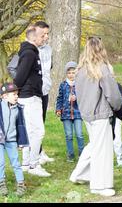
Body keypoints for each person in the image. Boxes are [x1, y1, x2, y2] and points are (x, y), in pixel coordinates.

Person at [69, 37, 122, 197]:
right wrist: (118, 106)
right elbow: (112, 94)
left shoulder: (79, 70)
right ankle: (100, 185)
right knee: (102, 150)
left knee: (94, 145)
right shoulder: (102, 69)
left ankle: (78, 174)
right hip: (100, 112)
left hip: (86, 113)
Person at [14, 26, 51, 177]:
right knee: (38, 132)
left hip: (31, 96)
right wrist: (16, 92)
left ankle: (26, 164)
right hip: (29, 97)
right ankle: (33, 164)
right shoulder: (29, 53)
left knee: (30, 131)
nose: (45, 38)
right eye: (42, 36)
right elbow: (20, 77)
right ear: (34, 37)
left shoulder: (30, 52)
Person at [0, 83, 28, 197]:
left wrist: (21, 141)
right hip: (0, 140)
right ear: (4, 96)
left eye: (17, 94)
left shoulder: (18, 108)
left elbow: (21, 126)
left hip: (11, 140)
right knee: (0, 162)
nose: (16, 96)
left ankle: (21, 184)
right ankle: (1, 183)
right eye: (14, 94)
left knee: (16, 162)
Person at [55, 61, 84, 162]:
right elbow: (59, 98)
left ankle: (82, 154)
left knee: (79, 134)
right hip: (66, 113)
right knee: (69, 135)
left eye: (73, 72)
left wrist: (77, 97)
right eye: (69, 73)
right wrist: (58, 109)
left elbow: (84, 97)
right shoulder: (63, 85)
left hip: (77, 113)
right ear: (66, 74)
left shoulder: (80, 84)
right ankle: (70, 154)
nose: (71, 75)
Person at [35, 21, 55, 165]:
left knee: (41, 122)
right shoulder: (29, 48)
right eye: (44, 34)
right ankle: (34, 154)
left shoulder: (48, 49)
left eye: (48, 34)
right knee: (35, 125)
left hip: (45, 90)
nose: (46, 36)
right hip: (33, 91)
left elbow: (49, 66)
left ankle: (40, 151)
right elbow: (14, 67)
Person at [111, 81, 122, 168]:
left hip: (116, 116)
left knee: (117, 139)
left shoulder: (117, 86)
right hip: (104, 117)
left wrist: (119, 113)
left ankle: (121, 160)